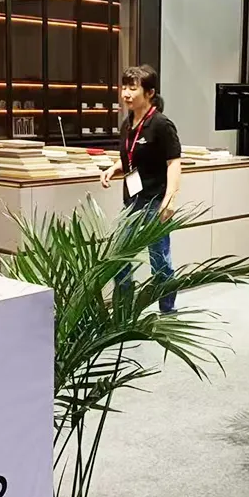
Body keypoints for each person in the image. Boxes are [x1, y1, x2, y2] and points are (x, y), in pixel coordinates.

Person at [100, 64, 182, 313]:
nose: (126, 93)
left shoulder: (161, 125)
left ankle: (167, 310)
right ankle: (124, 311)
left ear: (149, 93)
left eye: (132, 88)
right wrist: (114, 168)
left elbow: (174, 162)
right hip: (132, 202)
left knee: (160, 261)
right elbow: (131, 156)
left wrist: (170, 199)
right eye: (124, 87)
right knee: (119, 258)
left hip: (155, 202)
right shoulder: (127, 124)